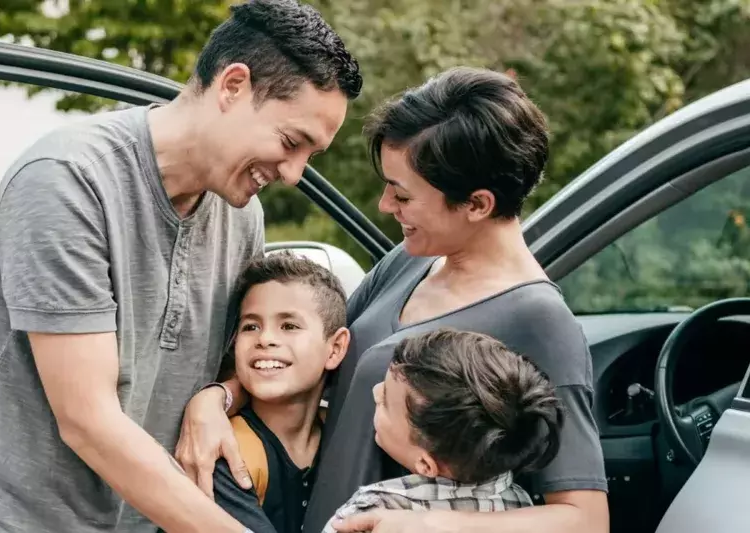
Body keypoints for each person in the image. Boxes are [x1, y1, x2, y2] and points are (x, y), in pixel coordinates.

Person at [0, 1, 361, 532]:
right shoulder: (68, 181)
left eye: (311, 154)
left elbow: (232, 367)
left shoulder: (241, 218)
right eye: (290, 142)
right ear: (232, 87)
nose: (293, 173)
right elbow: (88, 420)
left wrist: (218, 397)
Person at [177, 66, 609, 533]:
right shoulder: (409, 260)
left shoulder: (540, 321)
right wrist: (218, 399)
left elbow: (583, 519)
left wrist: (428, 525)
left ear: (478, 204)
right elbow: (319, 356)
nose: (385, 205)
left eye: (402, 194)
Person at [323, 328, 565, 533]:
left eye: (385, 401)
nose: (376, 392)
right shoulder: (520, 503)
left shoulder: (373, 510)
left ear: (426, 465)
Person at [211, 252, 350, 533]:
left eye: (289, 326)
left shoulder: (345, 441)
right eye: (251, 326)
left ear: (334, 348)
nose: (265, 339)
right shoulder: (229, 454)